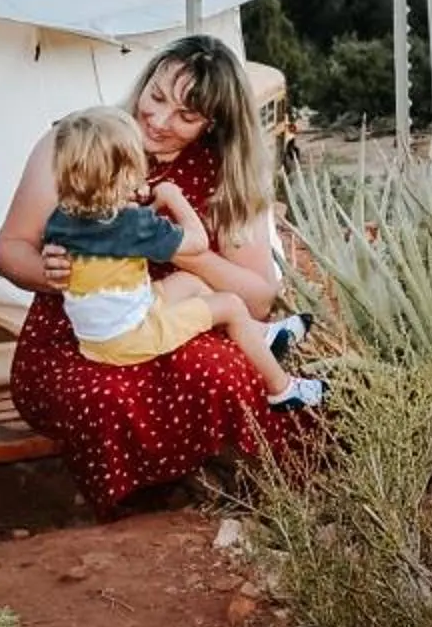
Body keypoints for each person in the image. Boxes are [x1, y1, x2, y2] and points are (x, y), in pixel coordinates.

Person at [0, 35, 316, 510]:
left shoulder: (223, 173)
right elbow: (8, 250)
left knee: (220, 370)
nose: (160, 120)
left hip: (171, 323)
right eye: (157, 97)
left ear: (213, 125)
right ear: (144, 82)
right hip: (79, 336)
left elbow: (258, 299)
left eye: (186, 116)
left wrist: (180, 248)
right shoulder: (81, 141)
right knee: (106, 397)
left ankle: (250, 491)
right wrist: (51, 272)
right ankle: (145, 510)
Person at [45, 106, 321, 408]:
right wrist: (173, 197)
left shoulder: (63, 217)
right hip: (130, 337)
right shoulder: (134, 225)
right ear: (123, 173)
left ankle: (260, 334)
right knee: (229, 305)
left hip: (99, 335)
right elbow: (197, 243)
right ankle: (282, 389)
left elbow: (116, 240)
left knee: (189, 281)